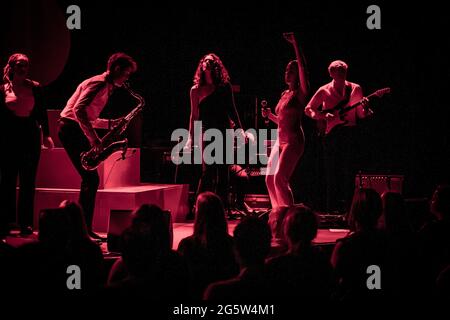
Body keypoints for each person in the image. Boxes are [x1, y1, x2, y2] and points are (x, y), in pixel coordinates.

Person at [58, 52, 137, 240]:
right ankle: (81, 230)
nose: (127, 78)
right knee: (90, 179)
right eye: (126, 74)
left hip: (74, 128)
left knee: (90, 180)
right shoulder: (99, 83)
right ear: (117, 69)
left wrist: (110, 124)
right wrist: (93, 138)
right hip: (71, 129)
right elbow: (78, 110)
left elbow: (89, 116)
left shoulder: (106, 85)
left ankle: (80, 229)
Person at [304, 60, 372, 212]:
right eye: (338, 71)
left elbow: (360, 115)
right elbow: (308, 109)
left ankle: (349, 210)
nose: (341, 74)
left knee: (349, 173)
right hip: (332, 135)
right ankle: (331, 210)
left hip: (350, 133)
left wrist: (365, 108)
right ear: (331, 73)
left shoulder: (355, 89)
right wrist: (321, 116)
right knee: (331, 173)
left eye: (343, 71)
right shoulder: (324, 90)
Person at [185, 53, 250, 209]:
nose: (208, 62)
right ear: (202, 65)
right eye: (206, 60)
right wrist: (190, 138)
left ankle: (220, 209)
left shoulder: (224, 86)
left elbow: (232, 109)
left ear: (216, 66)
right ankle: (199, 207)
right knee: (208, 172)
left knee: (223, 173)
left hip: (224, 130)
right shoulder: (195, 90)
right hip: (207, 131)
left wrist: (240, 130)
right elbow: (194, 116)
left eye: (212, 61)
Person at [0, 53, 54, 237]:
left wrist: (46, 135)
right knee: (7, 180)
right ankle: (6, 221)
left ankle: (26, 223)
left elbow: (42, 113)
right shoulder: (3, 89)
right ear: (12, 67)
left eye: (26, 65)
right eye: (20, 65)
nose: (24, 68)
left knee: (28, 181)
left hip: (29, 136)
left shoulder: (35, 87)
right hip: (9, 137)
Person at [261, 32, 309, 210]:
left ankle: (290, 217)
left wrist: (296, 45)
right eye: (286, 70)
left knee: (280, 178)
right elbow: (281, 120)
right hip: (280, 140)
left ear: (298, 75)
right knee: (269, 178)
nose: (287, 73)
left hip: (294, 141)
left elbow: (303, 67)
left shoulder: (301, 93)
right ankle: (278, 213)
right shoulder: (284, 94)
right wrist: (269, 116)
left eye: (291, 70)